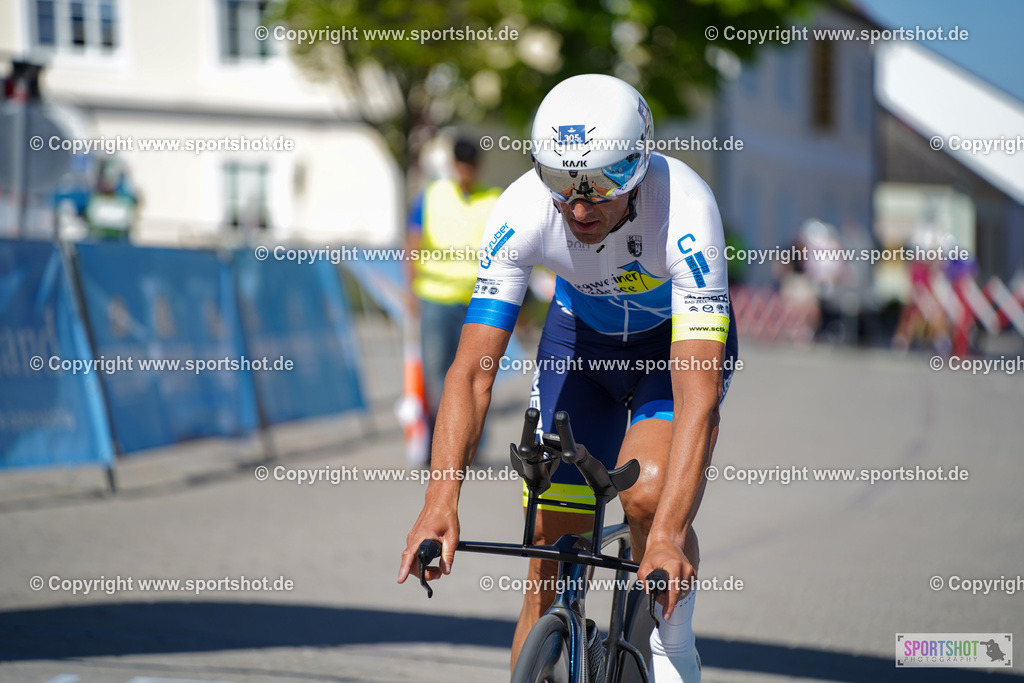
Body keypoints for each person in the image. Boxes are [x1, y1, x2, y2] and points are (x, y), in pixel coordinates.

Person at [397, 75, 738, 682]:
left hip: (668, 357)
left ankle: (674, 642)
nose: (579, 208)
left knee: (648, 496)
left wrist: (667, 534)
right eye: (561, 184)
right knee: (549, 557)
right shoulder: (522, 210)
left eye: (602, 186)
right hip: (579, 348)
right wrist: (437, 502)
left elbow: (698, 399)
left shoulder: (686, 210)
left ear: (638, 167)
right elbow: (472, 373)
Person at [406, 138, 501, 464]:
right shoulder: (432, 195)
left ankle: (471, 446)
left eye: (470, 166)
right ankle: (439, 447)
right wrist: (411, 289)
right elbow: (413, 240)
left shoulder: (492, 199)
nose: (465, 173)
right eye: (461, 166)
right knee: (437, 378)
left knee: (476, 374)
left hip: (478, 302)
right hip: (436, 298)